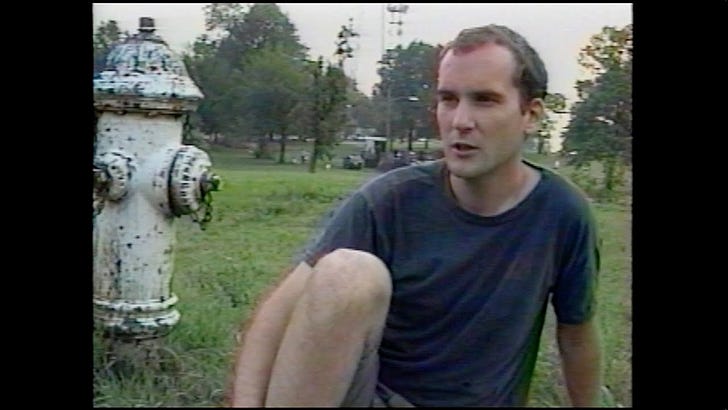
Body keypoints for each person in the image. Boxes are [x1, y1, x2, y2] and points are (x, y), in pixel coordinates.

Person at [227, 24, 601, 407]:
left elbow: (576, 336)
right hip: (378, 399)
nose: (460, 120)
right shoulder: (388, 200)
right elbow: (275, 318)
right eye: (448, 99)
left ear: (531, 115)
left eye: (485, 100)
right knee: (346, 273)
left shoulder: (562, 213)